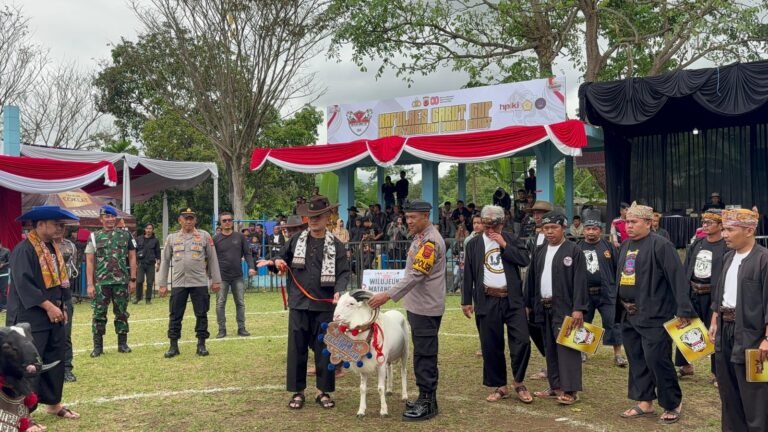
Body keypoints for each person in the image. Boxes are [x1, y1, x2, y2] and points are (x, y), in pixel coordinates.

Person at [256, 196, 350, 411]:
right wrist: (277, 261)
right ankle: (297, 391)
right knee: (297, 348)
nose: (314, 220)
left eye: (318, 216)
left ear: (328, 217)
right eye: (310, 216)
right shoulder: (296, 240)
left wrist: (339, 290)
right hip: (299, 303)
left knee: (324, 349)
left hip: (325, 305)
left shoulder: (336, 245)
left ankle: (322, 391)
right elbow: (280, 258)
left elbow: (344, 272)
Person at [616, 202, 696, 424]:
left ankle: (672, 403)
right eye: (627, 222)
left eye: (634, 222)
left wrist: (683, 309)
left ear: (648, 223)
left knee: (657, 359)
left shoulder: (662, 245)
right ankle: (645, 401)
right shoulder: (625, 245)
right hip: (629, 312)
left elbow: (677, 278)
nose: (629, 226)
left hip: (655, 313)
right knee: (636, 358)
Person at [368, 200, 446, 421]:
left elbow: (415, 275)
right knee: (421, 352)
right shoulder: (419, 237)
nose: (408, 221)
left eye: (413, 217)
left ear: (425, 216)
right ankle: (425, 398)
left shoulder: (430, 242)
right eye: (407, 217)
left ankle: (428, 402)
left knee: (425, 355)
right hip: (418, 306)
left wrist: (387, 295)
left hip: (426, 308)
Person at [7, 205, 81, 428]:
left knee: (54, 359)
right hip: (30, 317)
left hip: (54, 315)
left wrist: (63, 305)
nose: (61, 228)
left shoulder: (53, 248)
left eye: (63, 225)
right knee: (28, 365)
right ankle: (22, 415)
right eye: (56, 224)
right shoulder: (24, 250)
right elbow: (24, 284)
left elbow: (62, 280)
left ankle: (53, 403)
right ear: (40, 225)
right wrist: (48, 306)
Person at [462, 205, 533, 403]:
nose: (491, 230)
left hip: (512, 299)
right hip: (487, 299)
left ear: (502, 223)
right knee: (491, 344)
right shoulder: (474, 244)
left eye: (495, 226)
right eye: (487, 226)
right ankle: (500, 385)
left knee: (522, 341)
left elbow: (524, 259)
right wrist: (466, 300)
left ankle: (519, 382)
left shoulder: (511, 238)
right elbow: (468, 273)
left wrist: (504, 244)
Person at [710, 208, 768, 431]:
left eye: (730, 230)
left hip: (752, 335)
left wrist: (766, 339)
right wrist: (715, 320)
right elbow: (721, 293)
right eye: (724, 229)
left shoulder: (763, 259)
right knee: (728, 390)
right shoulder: (728, 258)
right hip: (726, 331)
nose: (724, 234)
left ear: (749, 231)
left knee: (755, 393)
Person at [526, 211, 588, 405]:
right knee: (550, 347)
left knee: (567, 347)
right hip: (544, 306)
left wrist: (578, 308)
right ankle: (555, 385)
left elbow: (580, 281)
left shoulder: (573, 250)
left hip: (565, 307)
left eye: (554, 227)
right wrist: (528, 304)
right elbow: (531, 279)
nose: (550, 232)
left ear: (563, 228)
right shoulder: (540, 250)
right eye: (546, 228)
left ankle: (570, 390)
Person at [158, 208, 222, 358]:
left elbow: (212, 258)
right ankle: (173, 346)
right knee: (175, 315)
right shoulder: (172, 238)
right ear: (180, 220)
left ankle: (201, 344)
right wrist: (162, 284)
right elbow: (165, 261)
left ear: (195, 220)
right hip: (179, 283)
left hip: (199, 282)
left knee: (201, 314)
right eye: (185, 218)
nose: (188, 221)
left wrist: (216, 280)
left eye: (191, 218)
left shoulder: (204, 236)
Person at [675, 210, 727, 381]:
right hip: (693, 291)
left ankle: (717, 373)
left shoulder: (726, 246)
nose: (705, 225)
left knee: (715, 332)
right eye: (703, 222)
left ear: (720, 225)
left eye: (709, 223)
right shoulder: (698, 243)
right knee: (686, 326)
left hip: (713, 294)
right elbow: (687, 267)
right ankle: (685, 365)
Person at [85, 205, 137, 357]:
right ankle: (98, 347)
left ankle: (122, 344)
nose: (110, 219)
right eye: (106, 217)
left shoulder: (125, 235)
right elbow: (89, 261)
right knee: (99, 314)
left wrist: (133, 279)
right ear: (101, 219)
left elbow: (132, 257)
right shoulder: (94, 237)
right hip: (101, 283)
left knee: (121, 313)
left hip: (121, 281)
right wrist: (90, 284)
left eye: (112, 216)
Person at [576, 220, 627, 367]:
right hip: (585, 293)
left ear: (600, 231)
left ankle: (618, 354)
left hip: (607, 292)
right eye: (588, 229)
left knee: (613, 322)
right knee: (584, 322)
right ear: (583, 231)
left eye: (594, 229)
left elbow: (618, 267)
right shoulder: (577, 247)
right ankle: (582, 351)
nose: (591, 232)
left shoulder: (608, 246)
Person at [213, 211, 256, 339]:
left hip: (237, 276)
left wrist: (251, 267)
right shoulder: (215, 239)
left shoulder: (240, 237)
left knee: (240, 303)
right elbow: (211, 258)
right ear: (220, 223)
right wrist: (212, 276)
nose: (227, 222)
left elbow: (247, 254)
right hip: (221, 277)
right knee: (220, 303)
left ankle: (241, 328)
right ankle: (221, 329)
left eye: (229, 220)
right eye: (224, 220)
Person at [56, 228, 79, 383]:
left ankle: (66, 369)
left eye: (62, 226)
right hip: (46, 294)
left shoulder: (70, 246)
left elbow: (72, 267)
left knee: (65, 334)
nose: (58, 229)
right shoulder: (41, 247)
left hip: (64, 293)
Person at [135, 223, 161, 305]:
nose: (149, 230)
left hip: (150, 264)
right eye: (147, 228)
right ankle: (138, 298)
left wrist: (158, 264)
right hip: (141, 263)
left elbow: (158, 253)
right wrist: (135, 263)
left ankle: (148, 299)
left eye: (150, 228)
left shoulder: (155, 240)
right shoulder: (138, 239)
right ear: (144, 229)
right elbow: (134, 252)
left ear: (152, 230)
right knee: (139, 281)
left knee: (150, 282)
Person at [0, 240, 9, 313]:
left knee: (3, 291)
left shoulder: (6, 251)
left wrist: (3, 265)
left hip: (4, 274)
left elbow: (11, 261)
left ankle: (4, 308)